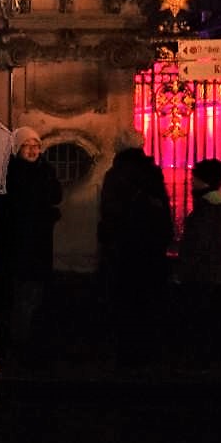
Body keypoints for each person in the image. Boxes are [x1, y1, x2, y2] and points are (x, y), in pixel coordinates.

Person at [97, 129, 172, 369]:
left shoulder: (116, 175)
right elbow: (163, 212)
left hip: (123, 249)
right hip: (150, 248)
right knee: (148, 302)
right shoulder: (152, 173)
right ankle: (148, 352)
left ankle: (125, 354)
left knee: (124, 302)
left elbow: (109, 214)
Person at [1, 125, 62, 357]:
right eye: (27, 145)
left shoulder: (44, 170)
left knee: (37, 289)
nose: (33, 150)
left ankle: (34, 335)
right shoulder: (12, 173)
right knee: (21, 290)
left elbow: (56, 195)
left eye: (36, 145)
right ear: (18, 148)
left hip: (40, 240)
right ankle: (19, 338)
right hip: (19, 242)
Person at [173, 158, 221, 371]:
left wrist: (183, 269)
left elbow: (198, 243)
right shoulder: (219, 204)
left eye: (194, 178)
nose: (191, 182)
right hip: (213, 270)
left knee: (198, 317)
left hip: (199, 272)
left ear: (202, 180)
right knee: (208, 316)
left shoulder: (206, 208)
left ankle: (199, 359)